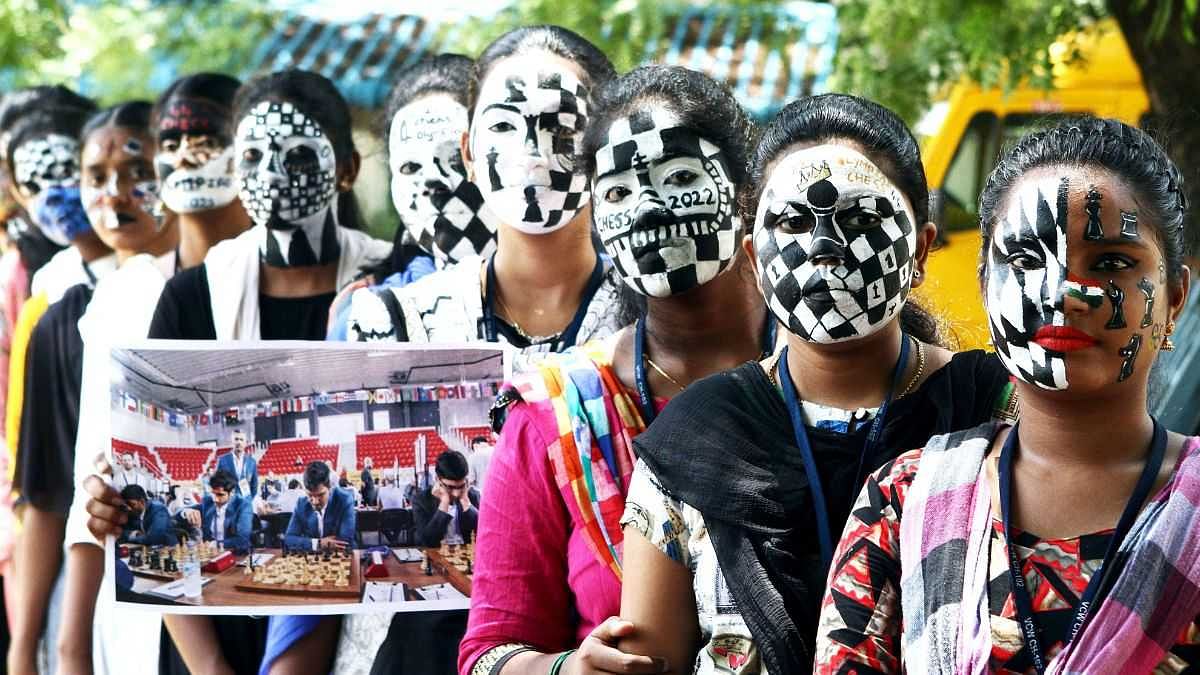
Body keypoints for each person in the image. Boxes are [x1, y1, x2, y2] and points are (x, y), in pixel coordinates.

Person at [614, 93, 1018, 674]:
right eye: (794, 222)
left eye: (859, 220)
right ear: (754, 257)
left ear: (922, 248)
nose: (824, 248)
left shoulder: (997, 411)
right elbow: (652, 660)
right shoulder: (697, 436)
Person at [815, 118, 1198, 673]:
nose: (1064, 292)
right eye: (1025, 260)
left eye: (1111, 262)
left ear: (1175, 298)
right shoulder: (903, 501)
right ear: (984, 287)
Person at [459, 64, 775, 675]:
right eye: (619, 192)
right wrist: (566, 669)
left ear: (745, 194)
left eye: (679, 176)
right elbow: (488, 653)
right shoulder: (553, 417)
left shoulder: (824, 369)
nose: (650, 208)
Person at [79, 69, 390, 675]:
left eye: (298, 156)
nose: (271, 176)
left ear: (346, 169)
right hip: (212, 642)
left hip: (363, 644)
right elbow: (144, 494)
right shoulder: (192, 298)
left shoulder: (393, 284)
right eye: (252, 156)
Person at [345, 27, 627, 368]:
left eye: (562, 127)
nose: (531, 153)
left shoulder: (658, 317)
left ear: (608, 150)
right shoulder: (397, 323)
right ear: (469, 153)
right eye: (503, 127)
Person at [8, 100, 175, 675]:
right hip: (109, 599)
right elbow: (53, 493)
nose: (114, 195)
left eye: (137, 175)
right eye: (96, 178)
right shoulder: (62, 318)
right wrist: (39, 645)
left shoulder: (210, 291)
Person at [327, 53, 497, 341]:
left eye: (456, 158)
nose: (432, 183)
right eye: (410, 168)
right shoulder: (366, 318)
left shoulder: (580, 287)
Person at [412, 450, 479, 547]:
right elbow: (427, 541)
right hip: (436, 556)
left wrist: (466, 502)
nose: (456, 493)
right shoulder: (421, 499)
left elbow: (484, 533)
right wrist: (444, 504)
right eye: (450, 487)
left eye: (461, 486)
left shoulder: (473, 496)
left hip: (467, 556)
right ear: (437, 479)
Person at [177, 469, 254, 554]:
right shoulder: (208, 502)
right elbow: (177, 515)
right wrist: (186, 512)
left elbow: (242, 540)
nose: (215, 499)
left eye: (220, 495)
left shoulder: (243, 506)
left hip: (235, 555)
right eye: (213, 493)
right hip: (210, 555)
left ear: (232, 492)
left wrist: (214, 544)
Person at [284, 461, 356, 551]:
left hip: (342, 556)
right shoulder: (301, 504)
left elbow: (346, 540)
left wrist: (305, 542)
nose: (315, 502)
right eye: (310, 495)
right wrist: (318, 543)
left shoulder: (345, 499)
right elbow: (288, 539)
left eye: (321, 495)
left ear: (330, 488)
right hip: (313, 559)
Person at [217, 429, 258, 498]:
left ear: (245, 443)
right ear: (232, 442)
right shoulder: (222, 460)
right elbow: (218, 482)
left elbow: (254, 485)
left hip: (245, 504)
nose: (239, 442)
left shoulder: (252, 462)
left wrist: (248, 500)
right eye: (236, 439)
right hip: (228, 503)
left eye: (241, 440)